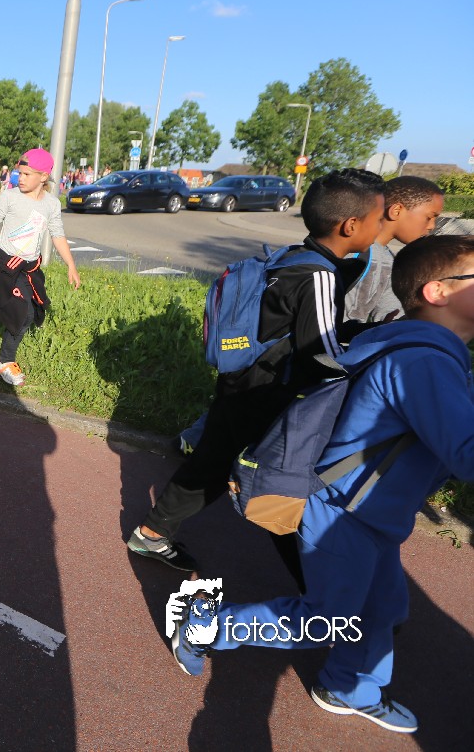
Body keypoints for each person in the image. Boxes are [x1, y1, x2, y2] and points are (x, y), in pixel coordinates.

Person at [170, 233, 474, 735]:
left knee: (382, 608)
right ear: (437, 291)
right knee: (330, 616)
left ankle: (348, 687)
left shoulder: (425, 349)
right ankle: (208, 626)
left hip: (372, 509)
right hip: (343, 509)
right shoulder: (424, 363)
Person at [127, 168, 385, 574]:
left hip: (240, 379)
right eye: (378, 219)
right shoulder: (321, 275)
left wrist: (357, 331)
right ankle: (316, 582)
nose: (380, 228)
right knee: (282, 486)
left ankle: (151, 533)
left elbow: (296, 329)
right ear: (350, 225)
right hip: (270, 395)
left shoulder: (291, 257)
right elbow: (322, 352)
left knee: (212, 461)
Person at [0, 149, 81, 387]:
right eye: (19, 173)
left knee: (33, 310)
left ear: (43, 177)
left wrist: (71, 265)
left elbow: (57, 234)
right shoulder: (10, 197)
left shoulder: (51, 204)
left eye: (27, 174)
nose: (20, 178)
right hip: (6, 264)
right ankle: (4, 361)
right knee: (23, 313)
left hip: (29, 267)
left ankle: (6, 348)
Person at [344, 176, 445, 323]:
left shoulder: (389, 260)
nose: (432, 226)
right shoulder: (351, 252)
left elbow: (391, 312)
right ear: (396, 211)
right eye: (429, 217)